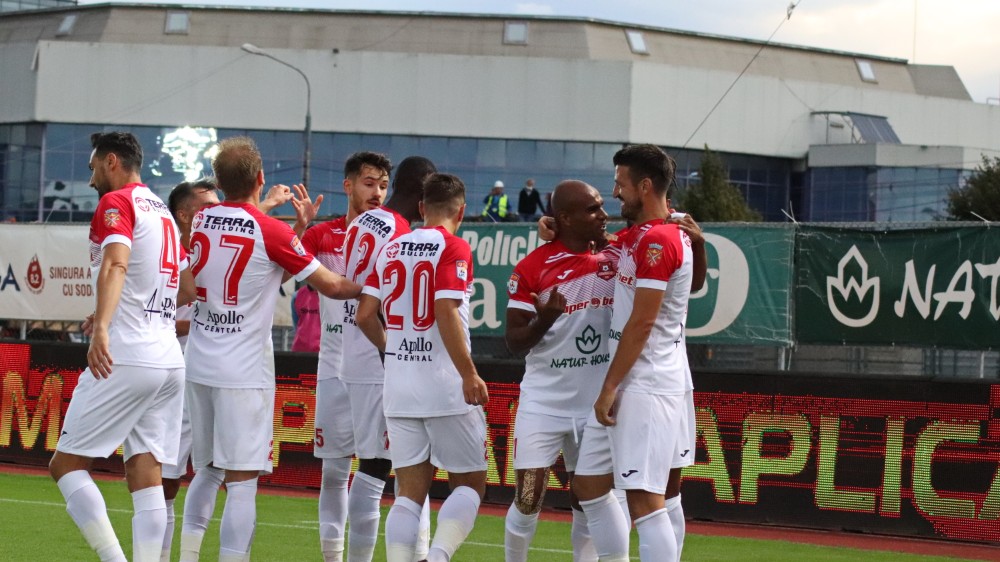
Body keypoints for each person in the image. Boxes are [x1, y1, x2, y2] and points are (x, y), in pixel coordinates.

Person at [183, 136, 360, 561]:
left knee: (206, 472)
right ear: (261, 178)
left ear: (220, 182)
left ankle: (187, 557)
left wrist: (293, 231)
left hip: (199, 363)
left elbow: (258, 270)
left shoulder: (204, 219)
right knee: (242, 481)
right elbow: (333, 286)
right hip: (242, 373)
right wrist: (381, 287)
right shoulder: (271, 231)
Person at [49, 131, 195, 562]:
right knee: (145, 474)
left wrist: (104, 328)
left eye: (94, 166)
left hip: (127, 355)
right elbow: (185, 288)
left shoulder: (118, 203)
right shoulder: (163, 212)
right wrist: (122, 308)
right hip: (168, 358)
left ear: (112, 161)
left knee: (66, 465)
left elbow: (115, 262)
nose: (91, 177)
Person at [356, 173, 490, 562]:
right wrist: (468, 373)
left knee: (408, 495)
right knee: (470, 484)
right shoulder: (454, 247)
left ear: (420, 208)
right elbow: (445, 310)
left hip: (399, 387)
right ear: (461, 210)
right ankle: (438, 557)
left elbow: (365, 315)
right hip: (445, 385)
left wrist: (391, 350)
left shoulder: (391, 248)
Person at [593, 144, 695, 562]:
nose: (615, 193)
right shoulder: (658, 234)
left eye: (620, 184)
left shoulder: (658, 241)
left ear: (645, 185)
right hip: (663, 378)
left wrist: (609, 386)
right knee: (664, 497)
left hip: (647, 384)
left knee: (645, 503)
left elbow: (642, 322)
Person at [503, 180, 614, 562]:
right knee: (529, 498)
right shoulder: (532, 267)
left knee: (590, 499)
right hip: (544, 402)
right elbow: (514, 340)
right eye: (592, 209)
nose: (602, 215)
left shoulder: (615, 257)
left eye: (601, 206)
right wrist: (544, 320)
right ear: (564, 217)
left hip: (595, 406)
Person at [337, 154, 437, 562]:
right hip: (381, 360)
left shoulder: (360, 223)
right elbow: (374, 310)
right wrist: (395, 353)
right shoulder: (399, 233)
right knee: (388, 466)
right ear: (421, 196)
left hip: (356, 358)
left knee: (387, 464)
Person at [162, 178, 223, 562]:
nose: (217, 211)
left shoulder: (220, 251)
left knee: (213, 468)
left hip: (212, 367)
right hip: (173, 368)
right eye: (207, 206)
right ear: (185, 215)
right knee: (165, 479)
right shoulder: (165, 250)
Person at [291, 283, 321, 352]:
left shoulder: (331, 296)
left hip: (323, 352)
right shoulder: (296, 296)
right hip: (300, 351)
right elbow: (297, 325)